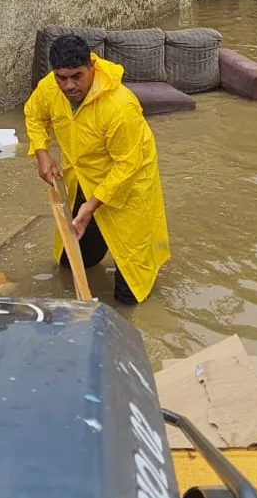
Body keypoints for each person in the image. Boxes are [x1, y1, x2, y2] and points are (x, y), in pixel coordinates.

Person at [24, 35, 170, 304]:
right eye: (61, 78)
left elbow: (127, 165)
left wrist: (91, 206)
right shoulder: (50, 88)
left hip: (128, 186)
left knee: (130, 290)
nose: (69, 86)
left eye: (77, 76)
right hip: (82, 178)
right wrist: (42, 153)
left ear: (91, 66)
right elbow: (34, 114)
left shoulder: (120, 107)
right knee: (74, 263)